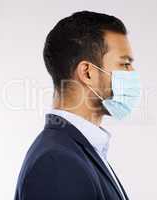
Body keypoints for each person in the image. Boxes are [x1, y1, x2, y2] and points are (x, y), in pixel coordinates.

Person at [14, 10, 141, 200]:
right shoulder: (57, 162)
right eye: (124, 64)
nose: (133, 73)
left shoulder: (75, 150)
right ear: (88, 72)